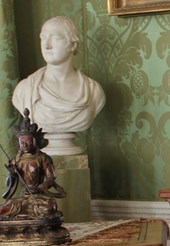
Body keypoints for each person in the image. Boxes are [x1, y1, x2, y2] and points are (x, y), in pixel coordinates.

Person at [12, 16, 105, 154]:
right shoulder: (25, 90)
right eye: (43, 38)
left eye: (55, 38)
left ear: (73, 44)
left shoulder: (93, 91)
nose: (47, 45)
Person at [1, 109, 66, 220]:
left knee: (49, 208)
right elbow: (10, 183)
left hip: (39, 197)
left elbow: (51, 178)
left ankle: (26, 215)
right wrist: (12, 174)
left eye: (28, 142)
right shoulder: (16, 159)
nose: (25, 145)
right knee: (2, 210)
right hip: (24, 198)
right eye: (22, 142)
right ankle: (25, 215)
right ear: (18, 143)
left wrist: (43, 186)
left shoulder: (43, 158)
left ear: (35, 142)